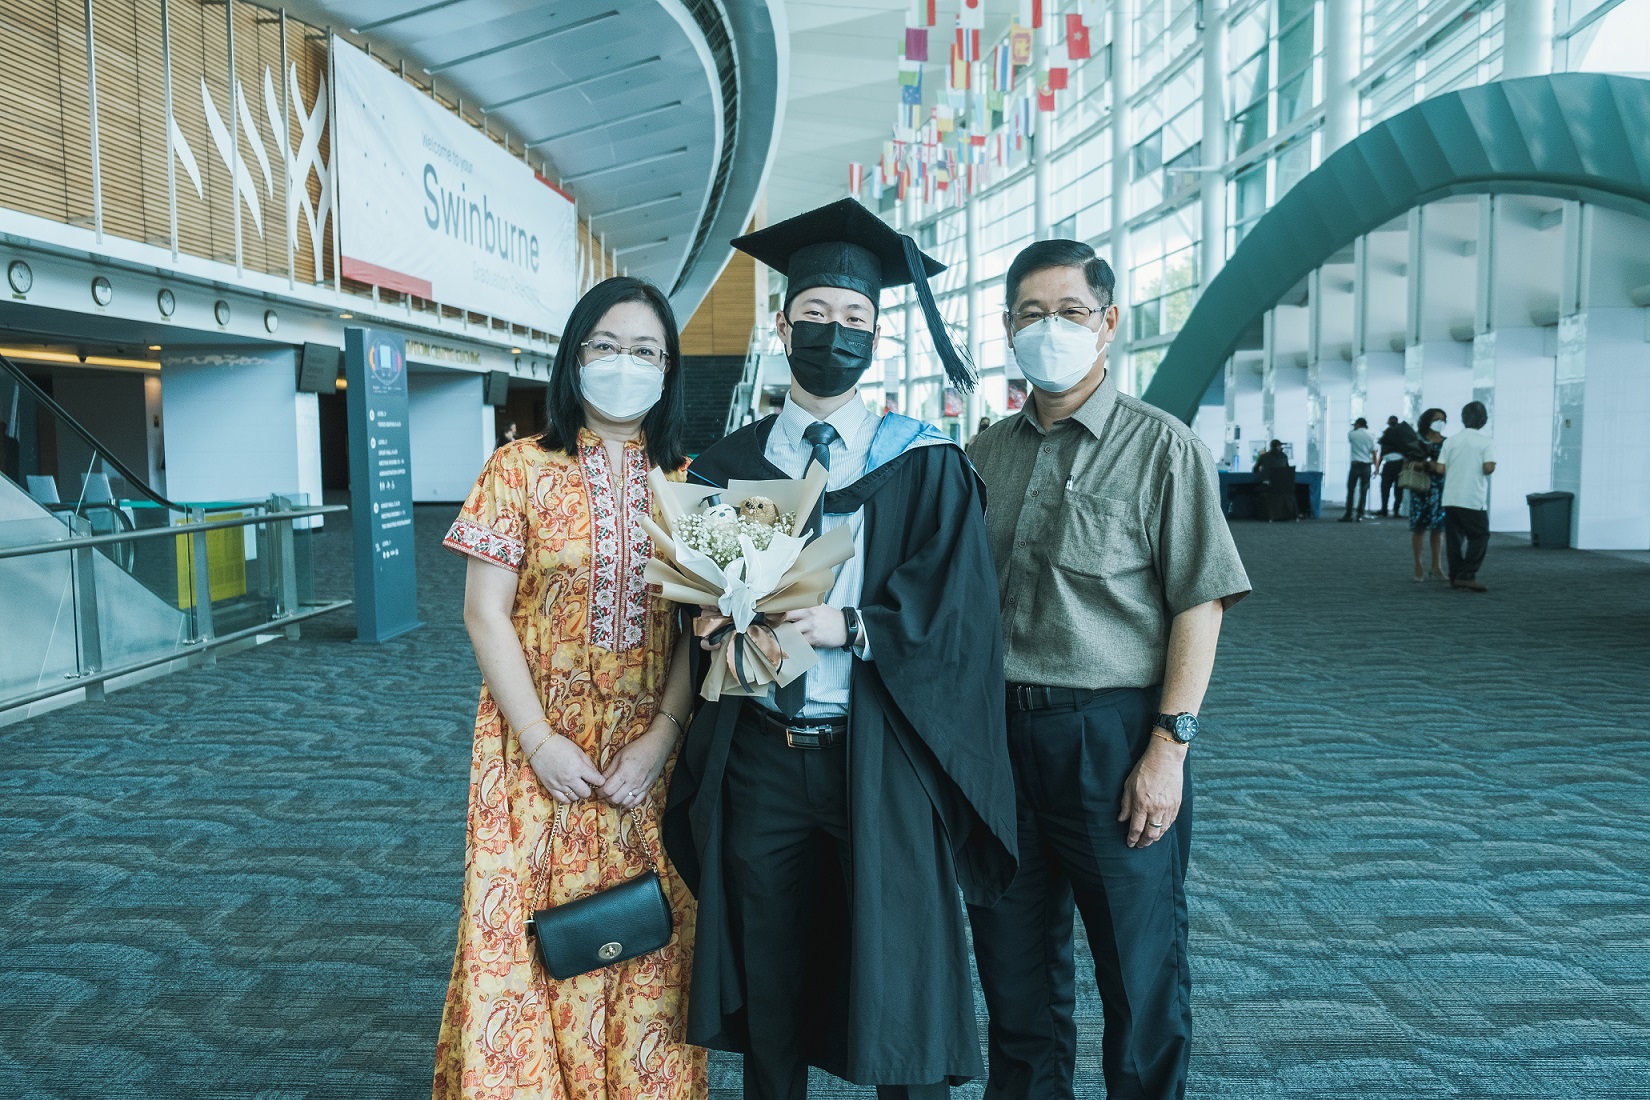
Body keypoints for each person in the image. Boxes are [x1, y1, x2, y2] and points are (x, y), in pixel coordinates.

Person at [663, 198, 1018, 1100]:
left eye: (855, 319)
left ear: (877, 336)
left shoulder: (925, 462)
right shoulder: (724, 466)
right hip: (764, 761)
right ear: (783, 326)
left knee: (897, 971)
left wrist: (851, 627)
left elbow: (961, 618)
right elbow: (695, 608)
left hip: (881, 752)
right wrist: (706, 622)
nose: (834, 334)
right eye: (816, 315)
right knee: (770, 972)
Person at [967, 239, 1252, 1100]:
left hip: (1114, 740)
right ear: (1007, 327)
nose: (1048, 329)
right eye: (1030, 314)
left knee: (1139, 973)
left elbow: (1200, 602)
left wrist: (1169, 749)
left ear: (1110, 323)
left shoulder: (1164, 449)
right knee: (1014, 981)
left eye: (1071, 312)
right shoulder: (984, 454)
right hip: (997, 745)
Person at [433, 276, 708, 1099]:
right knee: (529, 942)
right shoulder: (517, 467)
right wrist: (541, 742)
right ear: (575, 356)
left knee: (647, 937)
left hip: (647, 755)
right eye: (608, 347)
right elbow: (485, 615)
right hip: (533, 744)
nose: (627, 365)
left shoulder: (693, 482)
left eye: (646, 352)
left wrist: (661, 737)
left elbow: (704, 626)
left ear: (669, 370)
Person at [1437, 400, 1497, 592]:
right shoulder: (1486, 441)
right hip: (1472, 498)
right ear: (1484, 420)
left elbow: (1440, 468)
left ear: (1463, 419)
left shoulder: (1450, 441)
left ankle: (1455, 576)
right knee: (1480, 535)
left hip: (1451, 497)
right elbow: (1488, 468)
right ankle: (1467, 575)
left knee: (1454, 539)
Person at [1408, 408, 1449, 582]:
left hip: (1439, 488)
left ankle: (1436, 566)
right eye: (1436, 419)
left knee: (1438, 528)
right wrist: (1424, 465)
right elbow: (1407, 463)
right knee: (1419, 527)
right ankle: (1418, 565)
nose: (1440, 422)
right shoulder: (1417, 441)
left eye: (1443, 419)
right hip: (1420, 487)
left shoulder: (1448, 442)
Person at [1340, 417, 1376, 522]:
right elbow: (1374, 452)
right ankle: (1360, 514)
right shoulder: (1371, 436)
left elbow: (1351, 439)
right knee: (1363, 490)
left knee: (1351, 489)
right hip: (1366, 466)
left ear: (1358, 424)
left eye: (1355, 424)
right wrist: (1377, 468)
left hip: (1355, 465)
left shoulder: (1352, 434)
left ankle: (1348, 514)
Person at [1375, 415, 1411, 517]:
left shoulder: (1386, 434)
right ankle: (1395, 510)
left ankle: (1384, 509)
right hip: (1399, 464)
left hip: (1388, 464)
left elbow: (1382, 452)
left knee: (1385, 488)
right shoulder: (1402, 434)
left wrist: (1378, 467)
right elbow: (1406, 450)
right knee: (1398, 489)